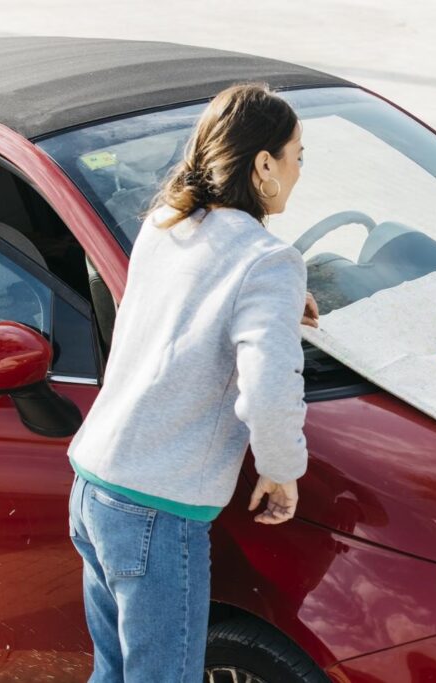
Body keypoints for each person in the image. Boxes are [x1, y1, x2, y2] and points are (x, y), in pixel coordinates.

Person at [66, 83, 318, 682]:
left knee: (115, 673)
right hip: (156, 508)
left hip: (95, 486)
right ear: (264, 165)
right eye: (298, 156)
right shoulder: (267, 260)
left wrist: (282, 303)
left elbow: (183, 305)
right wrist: (283, 470)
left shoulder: (166, 224)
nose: (300, 170)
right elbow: (266, 387)